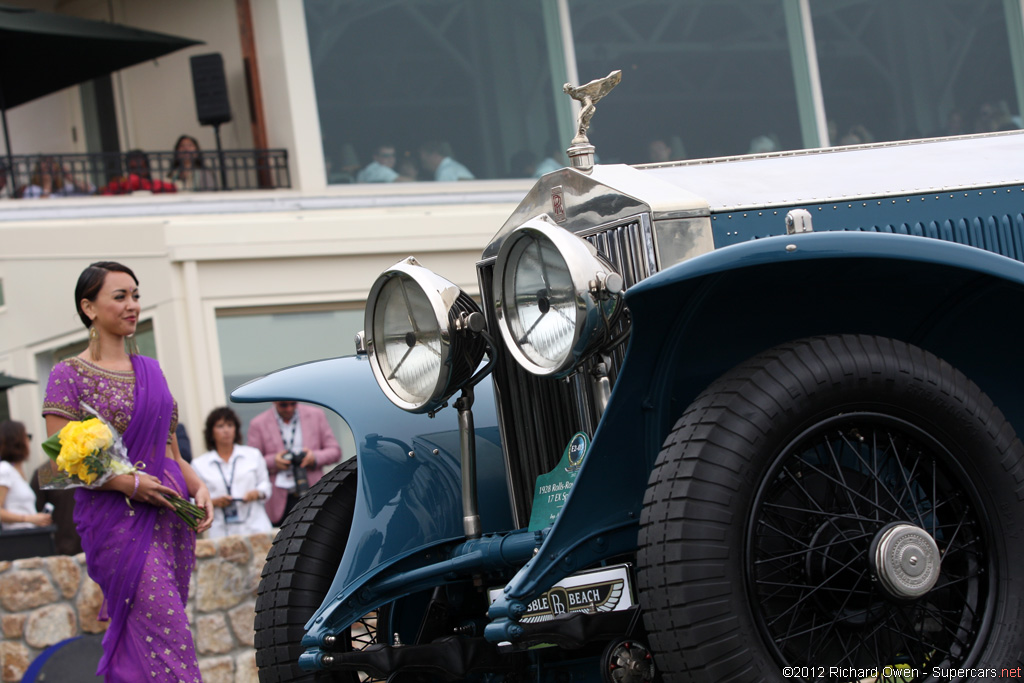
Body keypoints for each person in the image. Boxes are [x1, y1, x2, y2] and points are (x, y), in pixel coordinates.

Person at [42, 261, 212, 682]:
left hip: (169, 511)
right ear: (89, 307)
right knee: (168, 631)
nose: (132, 305)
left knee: (156, 632)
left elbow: (170, 448)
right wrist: (128, 483)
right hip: (118, 521)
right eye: (119, 297)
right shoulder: (68, 374)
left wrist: (199, 484)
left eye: (135, 295)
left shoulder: (151, 371)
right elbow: (62, 456)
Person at [246, 400, 341, 526]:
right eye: (283, 405)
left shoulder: (316, 415)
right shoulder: (258, 423)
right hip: (280, 500)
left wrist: (314, 457)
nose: (289, 408)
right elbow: (251, 462)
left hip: (312, 492)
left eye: (293, 404)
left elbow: (335, 451)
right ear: (274, 401)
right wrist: (274, 461)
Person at [192, 407, 272, 539]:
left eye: (230, 425)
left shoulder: (252, 455)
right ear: (211, 432)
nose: (226, 430)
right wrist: (214, 502)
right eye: (220, 426)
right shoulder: (199, 464)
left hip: (256, 527)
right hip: (221, 532)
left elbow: (266, 486)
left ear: (236, 429)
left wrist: (256, 493)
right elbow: (193, 499)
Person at [0, 421, 53, 531]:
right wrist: (29, 519)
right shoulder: (5, 469)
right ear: (17, 441)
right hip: (18, 538)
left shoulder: (15, 471)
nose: (28, 441)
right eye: (26, 437)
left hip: (27, 535)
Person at [31, 462, 82, 555]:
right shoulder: (45, 472)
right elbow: (35, 513)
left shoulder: (90, 465)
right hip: (64, 548)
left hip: (95, 544)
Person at [100, 150, 177, 195]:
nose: (137, 172)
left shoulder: (158, 185)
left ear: (147, 168)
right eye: (133, 168)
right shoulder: (120, 185)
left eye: (140, 168)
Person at [22, 156, 95, 198]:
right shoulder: (32, 190)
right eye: (46, 169)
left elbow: (90, 190)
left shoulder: (64, 189)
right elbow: (40, 207)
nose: (50, 173)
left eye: (52, 170)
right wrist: (47, 185)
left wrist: (70, 178)